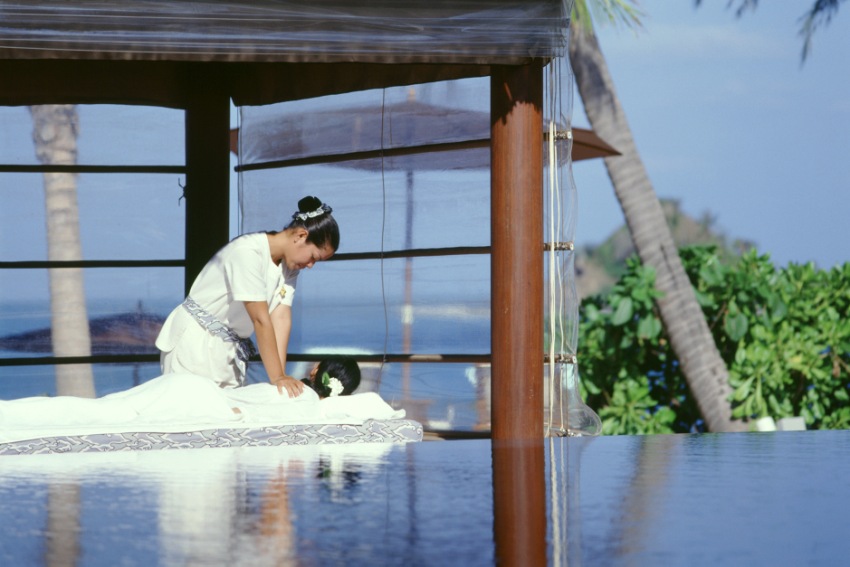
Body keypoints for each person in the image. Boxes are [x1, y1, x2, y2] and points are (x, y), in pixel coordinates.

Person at [155, 196, 339, 397]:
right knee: (191, 410)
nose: (310, 265)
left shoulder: (290, 267)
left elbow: (280, 317)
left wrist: (280, 378)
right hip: (196, 343)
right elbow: (260, 319)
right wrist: (277, 376)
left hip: (228, 352)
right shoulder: (248, 252)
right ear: (301, 236)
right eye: (313, 257)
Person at [0, 358, 363, 436]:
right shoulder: (306, 403)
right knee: (103, 415)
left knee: (102, 409)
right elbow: (258, 415)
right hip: (201, 401)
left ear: (316, 370)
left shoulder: (290, 386)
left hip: (192, 387)